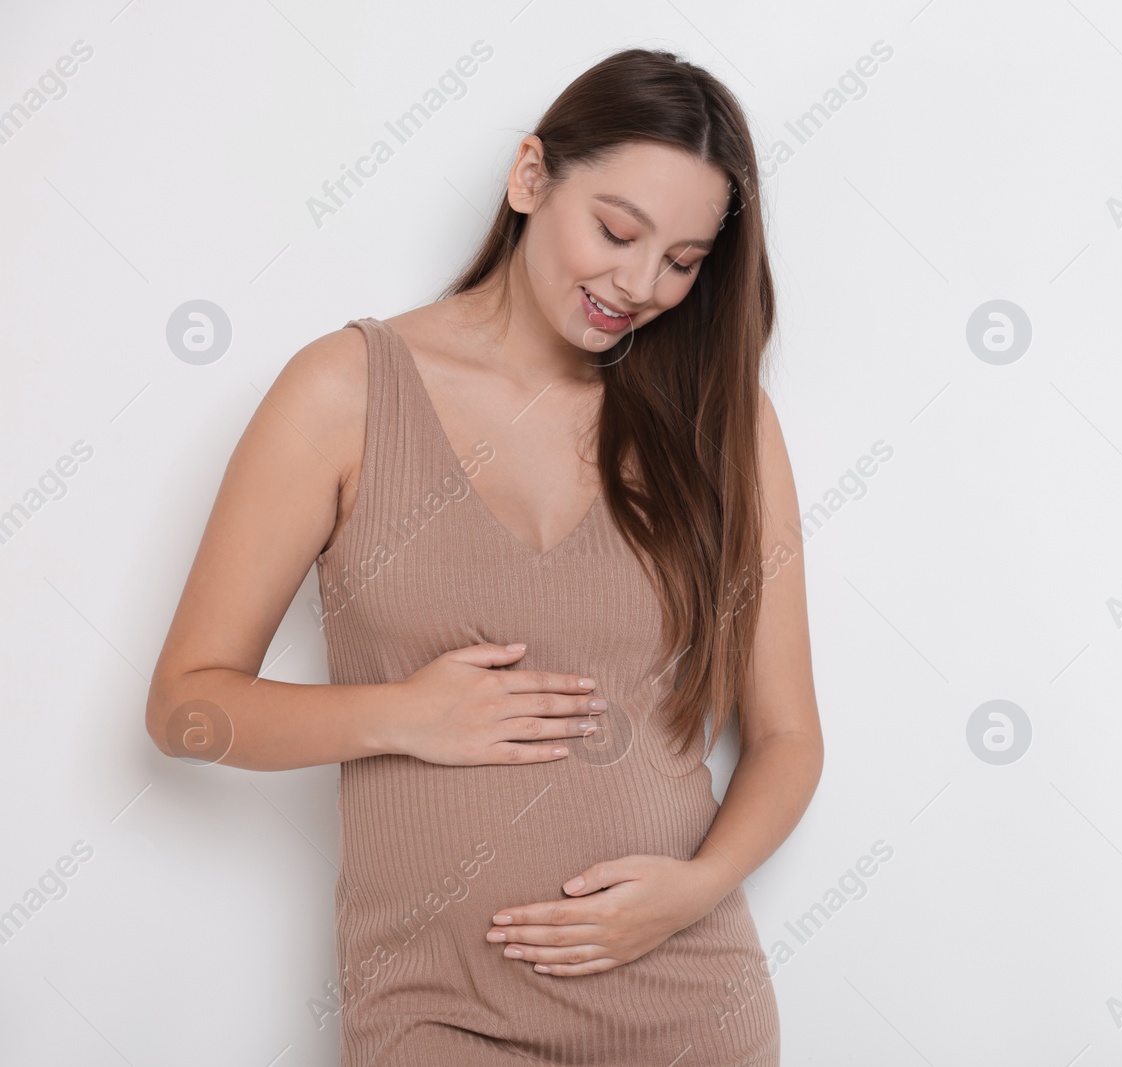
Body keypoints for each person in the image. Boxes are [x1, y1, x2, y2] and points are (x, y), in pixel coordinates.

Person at [145, 47, 822, 1066]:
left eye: (682, 261)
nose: (638, 283)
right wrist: (399, 714)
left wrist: (692, 887)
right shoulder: (345, 391)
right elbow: (184, 706)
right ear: (529, 177)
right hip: (437, 1011)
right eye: (616, 230)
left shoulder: (722, 421)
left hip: (689, 1004)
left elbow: (787, 734)